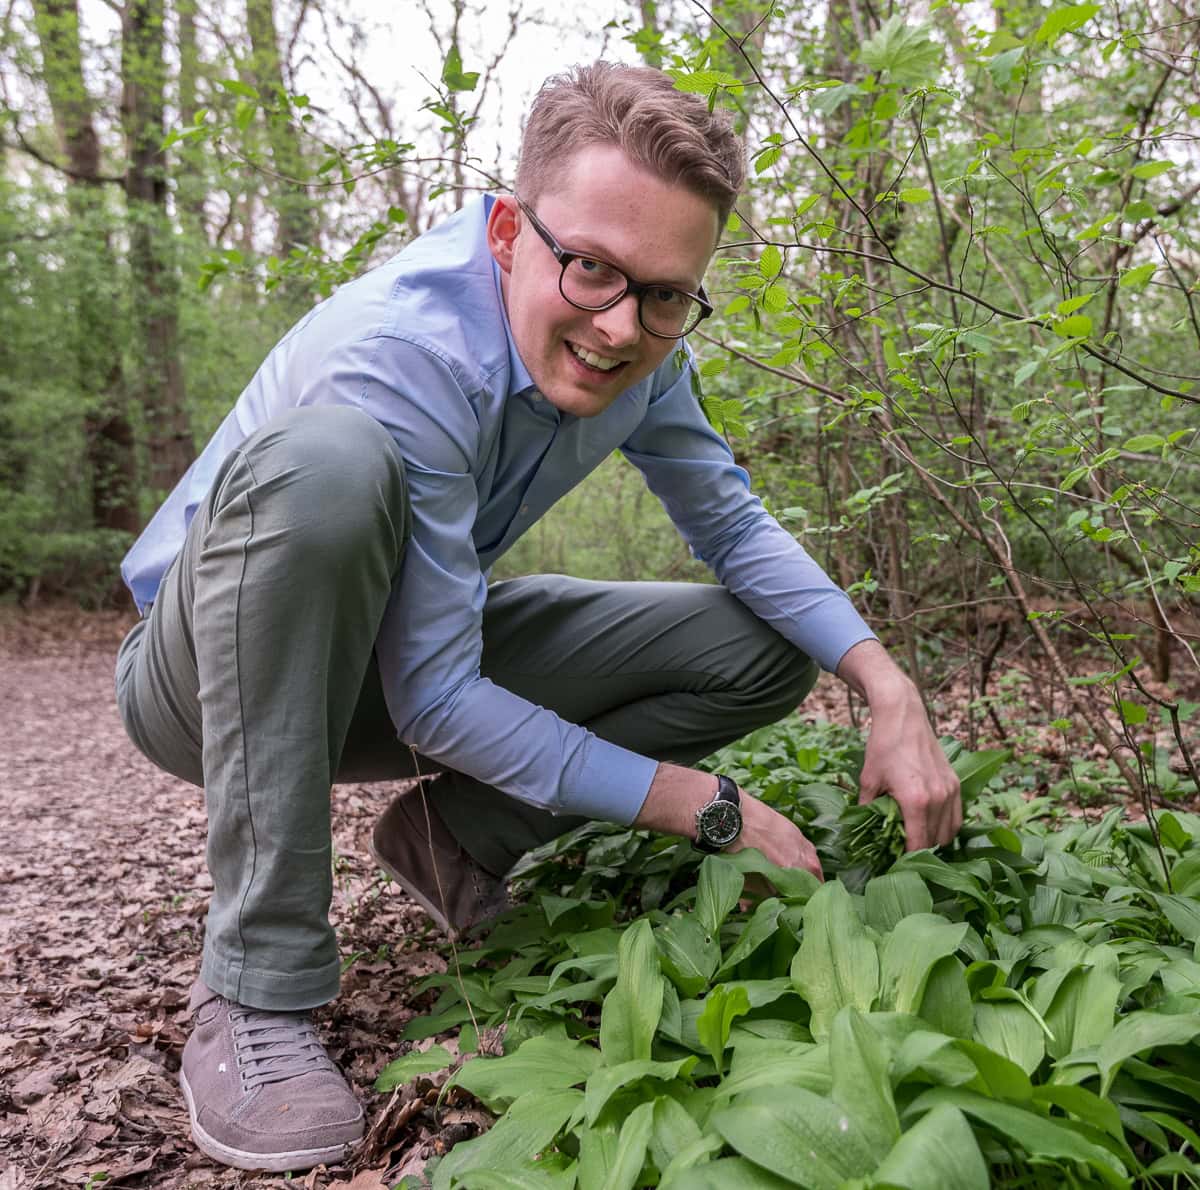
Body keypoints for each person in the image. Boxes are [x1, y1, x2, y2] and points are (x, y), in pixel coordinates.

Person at [114, 61, 961, 1173]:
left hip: (389, 654)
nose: (620, 326)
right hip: (205, 672)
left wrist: (888, 686)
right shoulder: (409, 353)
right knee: (328, 468)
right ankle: (253, 986)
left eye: (665, 293)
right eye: (593, 270)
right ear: (511, 231)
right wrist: (701, 806)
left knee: (759, 645)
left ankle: (455, 839)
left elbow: (734, 526)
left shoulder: (646, 342)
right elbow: (437, 695)